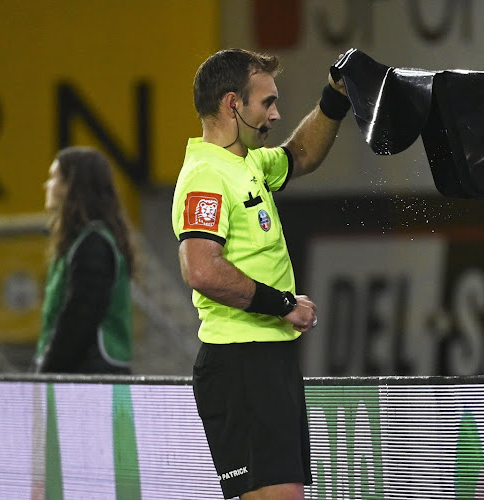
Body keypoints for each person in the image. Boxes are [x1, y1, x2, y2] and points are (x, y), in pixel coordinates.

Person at [171, 49, 351, 500]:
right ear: (233, 104)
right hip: (240, 364)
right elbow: (201, 268)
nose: (276, 113)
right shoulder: (206, 176)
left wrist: (335, 97)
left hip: (266, 361)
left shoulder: (247, 163)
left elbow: (301, 154)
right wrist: (284, 305)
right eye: (266, 103)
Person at [34, 146, 135, 374]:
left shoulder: (93, 245)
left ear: (71, 186)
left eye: (54, 178)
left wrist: (47, 372)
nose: (47, 185)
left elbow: (79, 320)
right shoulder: (82, 241)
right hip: (85, 372)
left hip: (92, 376)